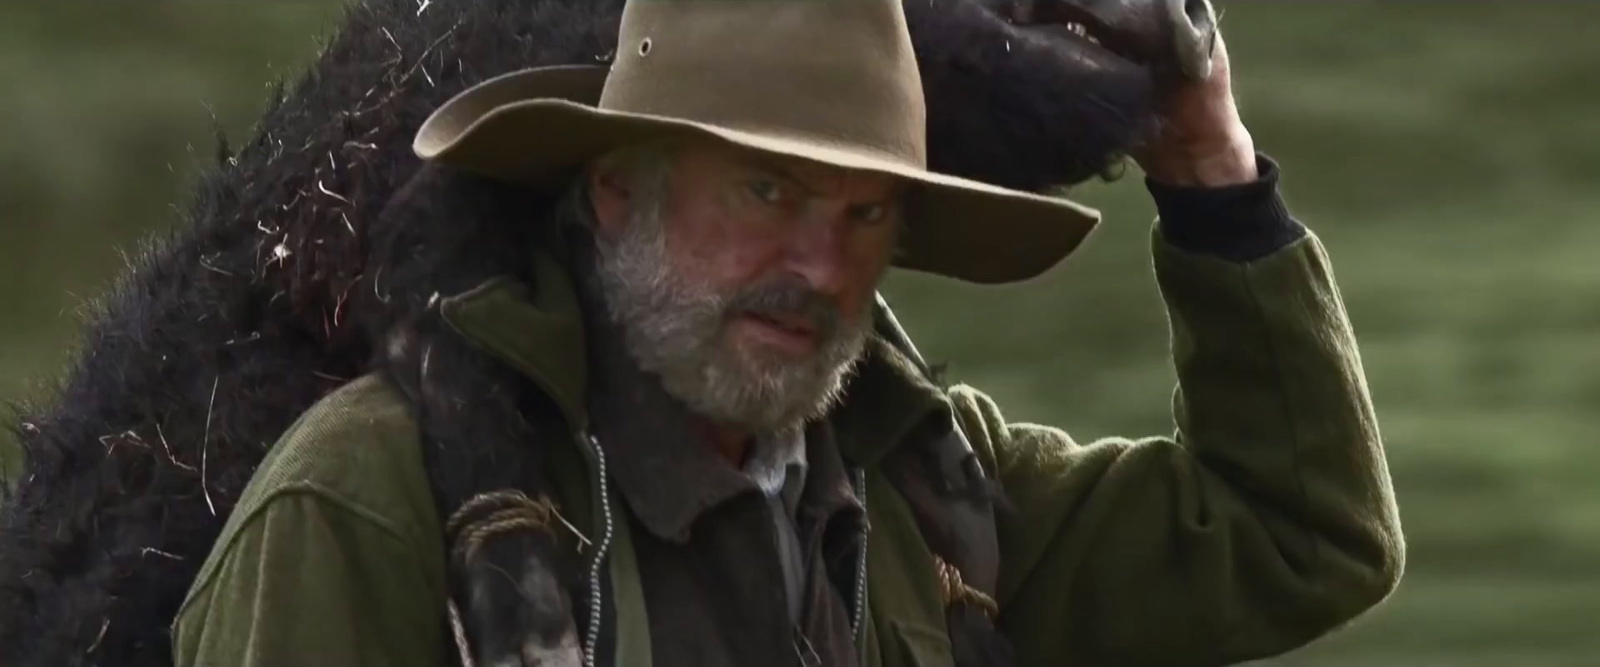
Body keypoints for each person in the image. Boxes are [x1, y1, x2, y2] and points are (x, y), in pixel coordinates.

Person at [172, 1, 1404, 665]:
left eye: (863, 212)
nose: (817, 265)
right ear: (618, 190)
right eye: (765, 192)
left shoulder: (924, 497)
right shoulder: (369, 501)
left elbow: (1299, 535)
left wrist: (1208, 169)